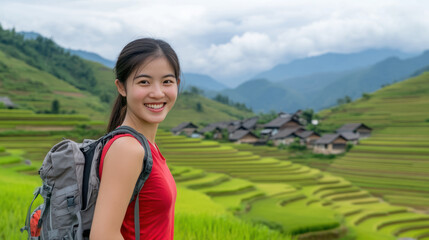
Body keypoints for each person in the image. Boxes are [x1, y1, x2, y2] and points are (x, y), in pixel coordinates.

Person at [90, 38, 180, 240]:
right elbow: (103, 235)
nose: (157, 93)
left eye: (167, 81)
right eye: (144, 82)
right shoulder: (128, 149)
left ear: (177, 84)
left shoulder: (147, 147)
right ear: (121, 87)